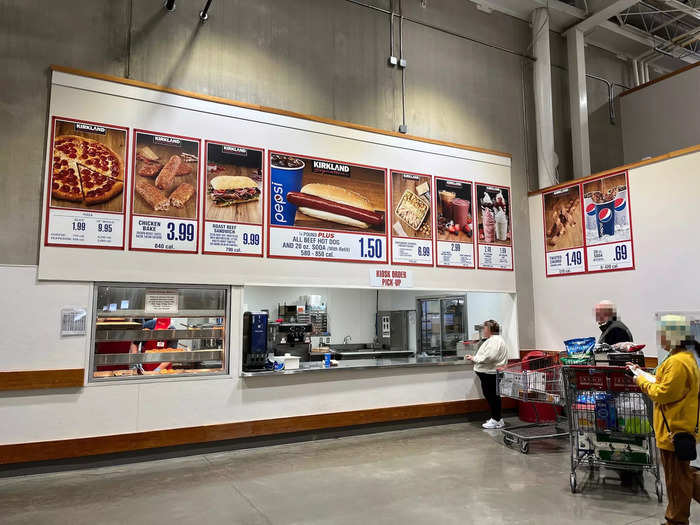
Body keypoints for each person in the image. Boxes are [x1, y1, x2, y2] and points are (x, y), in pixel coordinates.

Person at [628, 315, 700, 525]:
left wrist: (639, 379)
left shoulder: (678, 362)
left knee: (676, 480)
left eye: (662, 334)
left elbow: (663, 393)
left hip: (675, 430)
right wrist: (643, 372)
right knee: (683, 474)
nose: (660, 338)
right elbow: (665, 384)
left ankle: (676, 521)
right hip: (677, 427)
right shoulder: (680, 357)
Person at [466, 319, 509, 429]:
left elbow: (490, 357)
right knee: (492, 396)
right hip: (490, 373)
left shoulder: (495, 341)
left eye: (484, 328)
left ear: (489, 329)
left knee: (492, 397)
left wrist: (474, 358)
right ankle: (497, 418)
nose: (483, 330)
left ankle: (496, 419)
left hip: (490, 373)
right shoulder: (494, 340)